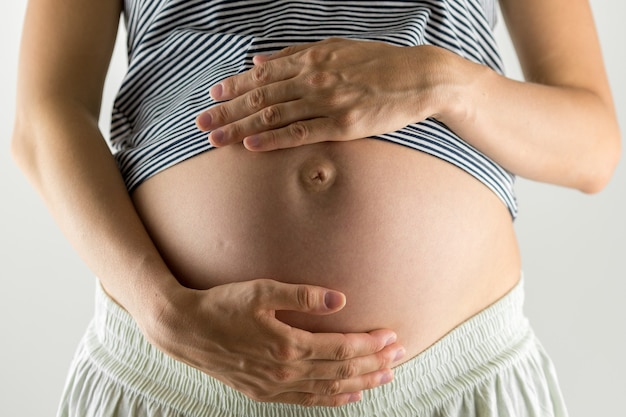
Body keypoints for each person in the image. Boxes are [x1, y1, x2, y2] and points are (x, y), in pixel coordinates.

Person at [11, 0, 620, 416]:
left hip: (454, 387)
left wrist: (445, 82)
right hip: (178, 378)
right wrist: (160, 310)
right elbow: (44, 116)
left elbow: (593, 146)